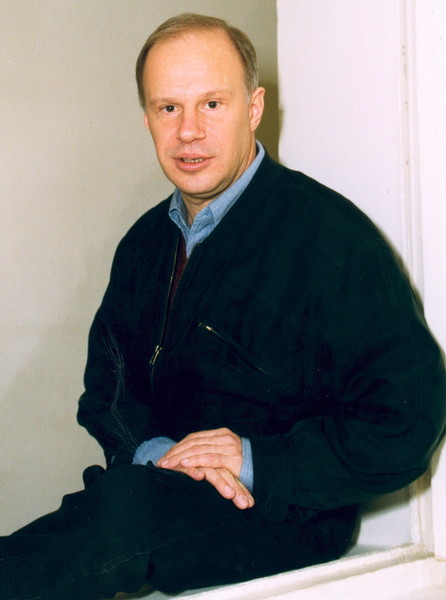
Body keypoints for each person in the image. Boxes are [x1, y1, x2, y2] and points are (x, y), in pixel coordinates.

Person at [1, 12, 445, 600]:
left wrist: (253, 459)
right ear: (147, 120)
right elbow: (107, 390)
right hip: (158, 494)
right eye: (168, 108)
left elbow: (408, 420)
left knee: (121, 510)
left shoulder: (331, 240)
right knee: (114, 506)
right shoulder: (142, 245)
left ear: (253, 108)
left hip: (284, 514)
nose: (188, 131)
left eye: (212, 104)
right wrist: (159, 454)